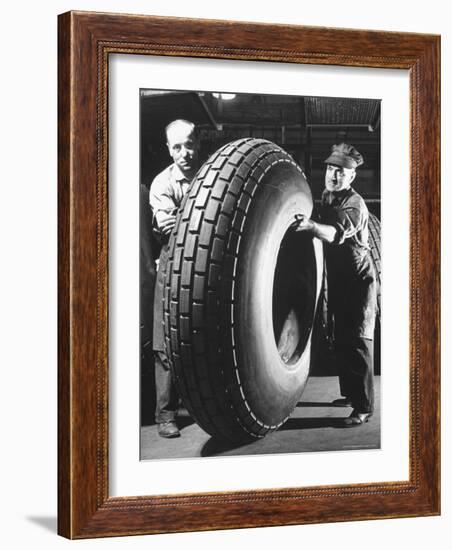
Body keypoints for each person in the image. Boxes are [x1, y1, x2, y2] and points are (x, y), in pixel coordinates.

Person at [294, 143, 377, 427]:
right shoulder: (328, 196)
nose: (333, 175)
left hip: (359, 281)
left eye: (341, 172)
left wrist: (312, 227)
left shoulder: (355, 204)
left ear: (352, 177)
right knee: (341, 337)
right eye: (331, 169)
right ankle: (351, 395)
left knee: (358, 342)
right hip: (339, 279)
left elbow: (334, 233)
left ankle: (364, 408)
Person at [149, 119, 200, 438]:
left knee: (203, 338)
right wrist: (204, 218)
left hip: (209, 268)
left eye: (189, 144)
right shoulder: (161, 183)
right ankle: (165, 414)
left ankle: (203, 407)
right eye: (177, 146)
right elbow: (169, 229)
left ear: (198, 142)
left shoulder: (213, 175)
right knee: (164, 343)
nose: (184, 152)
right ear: (169, 149)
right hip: (172, 263)